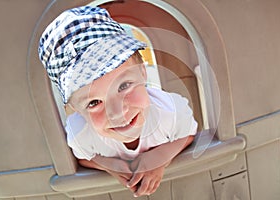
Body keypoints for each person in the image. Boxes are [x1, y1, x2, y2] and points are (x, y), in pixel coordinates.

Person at [38, 5, 197, 197]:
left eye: (123, 86)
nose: (117, 112)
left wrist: (160, 159)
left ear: (142, 72)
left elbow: (187, 135)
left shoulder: (170, 110)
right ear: (75, 109)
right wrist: (112, 166)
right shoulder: (79, 132)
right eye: (94, 102)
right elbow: (84, 157)